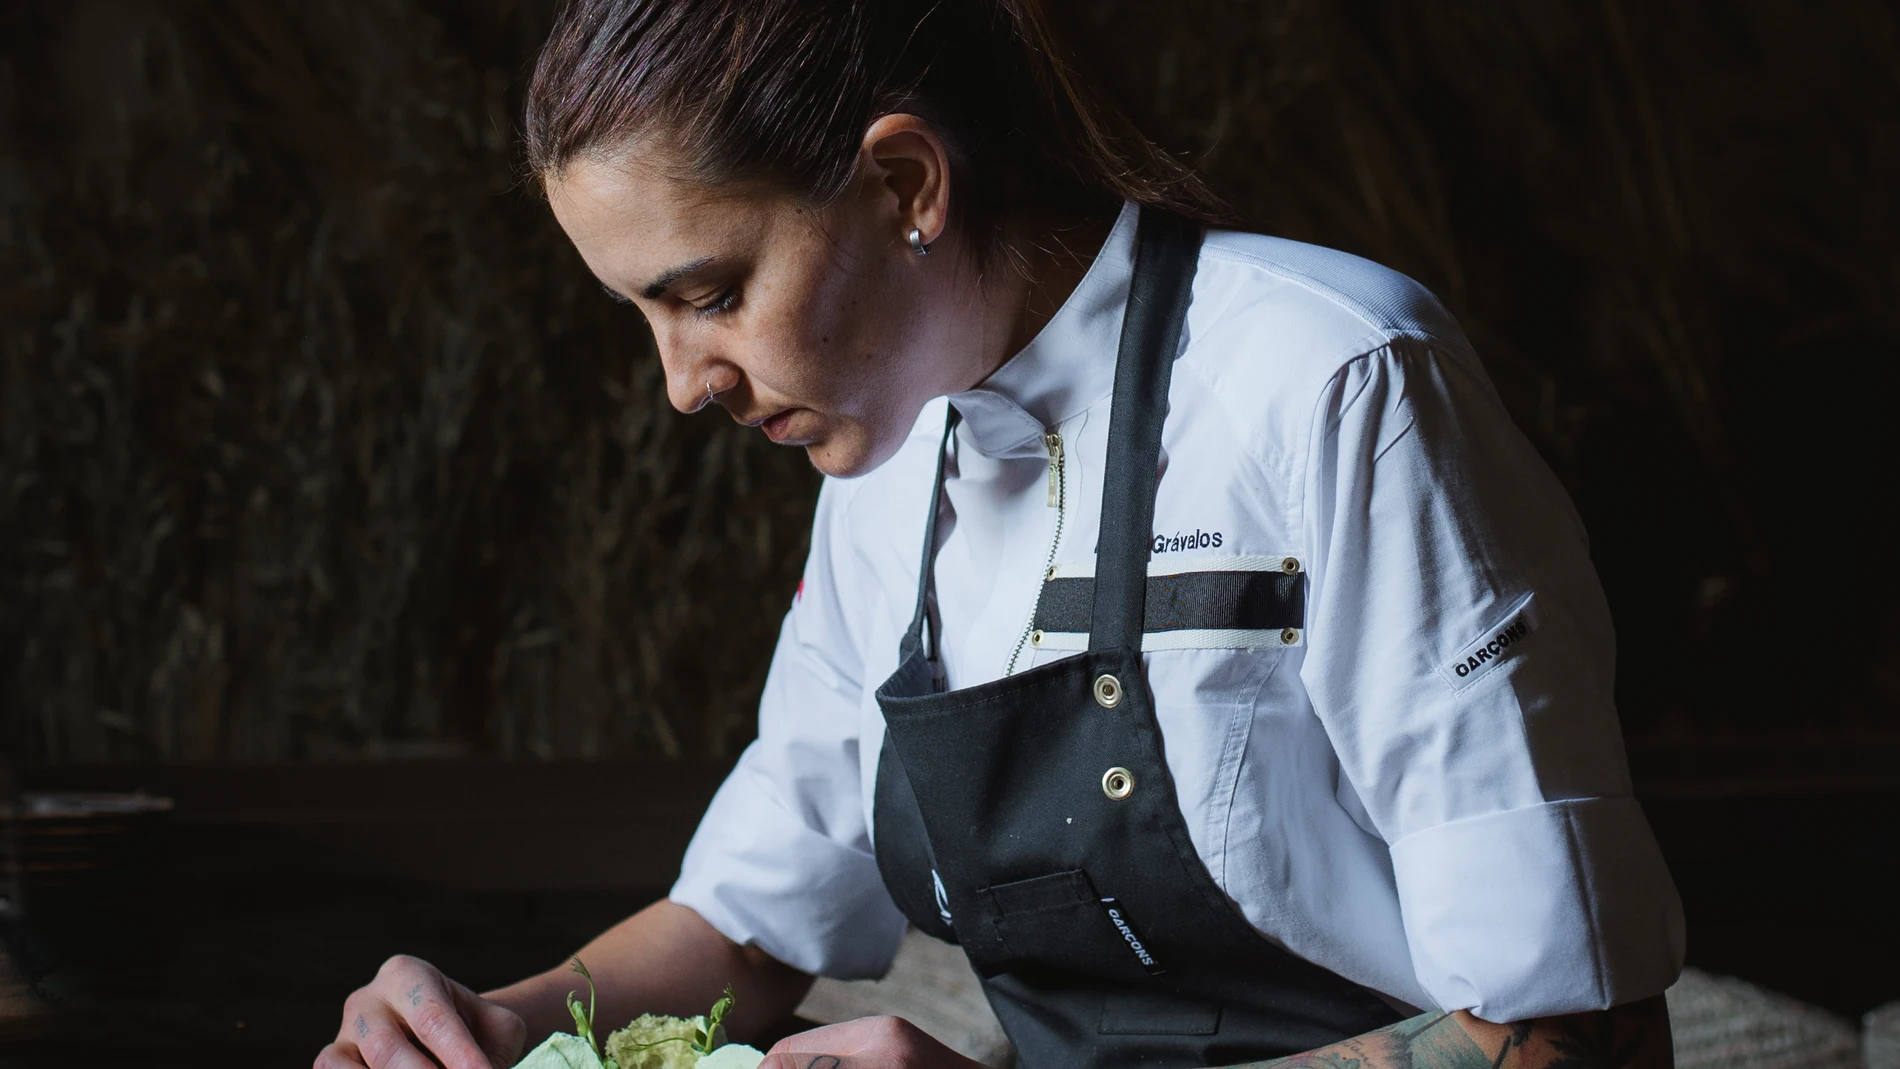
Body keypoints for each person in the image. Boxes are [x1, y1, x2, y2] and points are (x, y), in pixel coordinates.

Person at [316, 1, 1686, 1068]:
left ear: (906, 182)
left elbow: (1578, 1034)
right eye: (645, 316)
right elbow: (747, 926)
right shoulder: (882, 480)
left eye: (712, 294)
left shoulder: (1332, 379)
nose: (683, 383)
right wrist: (495, 1023)